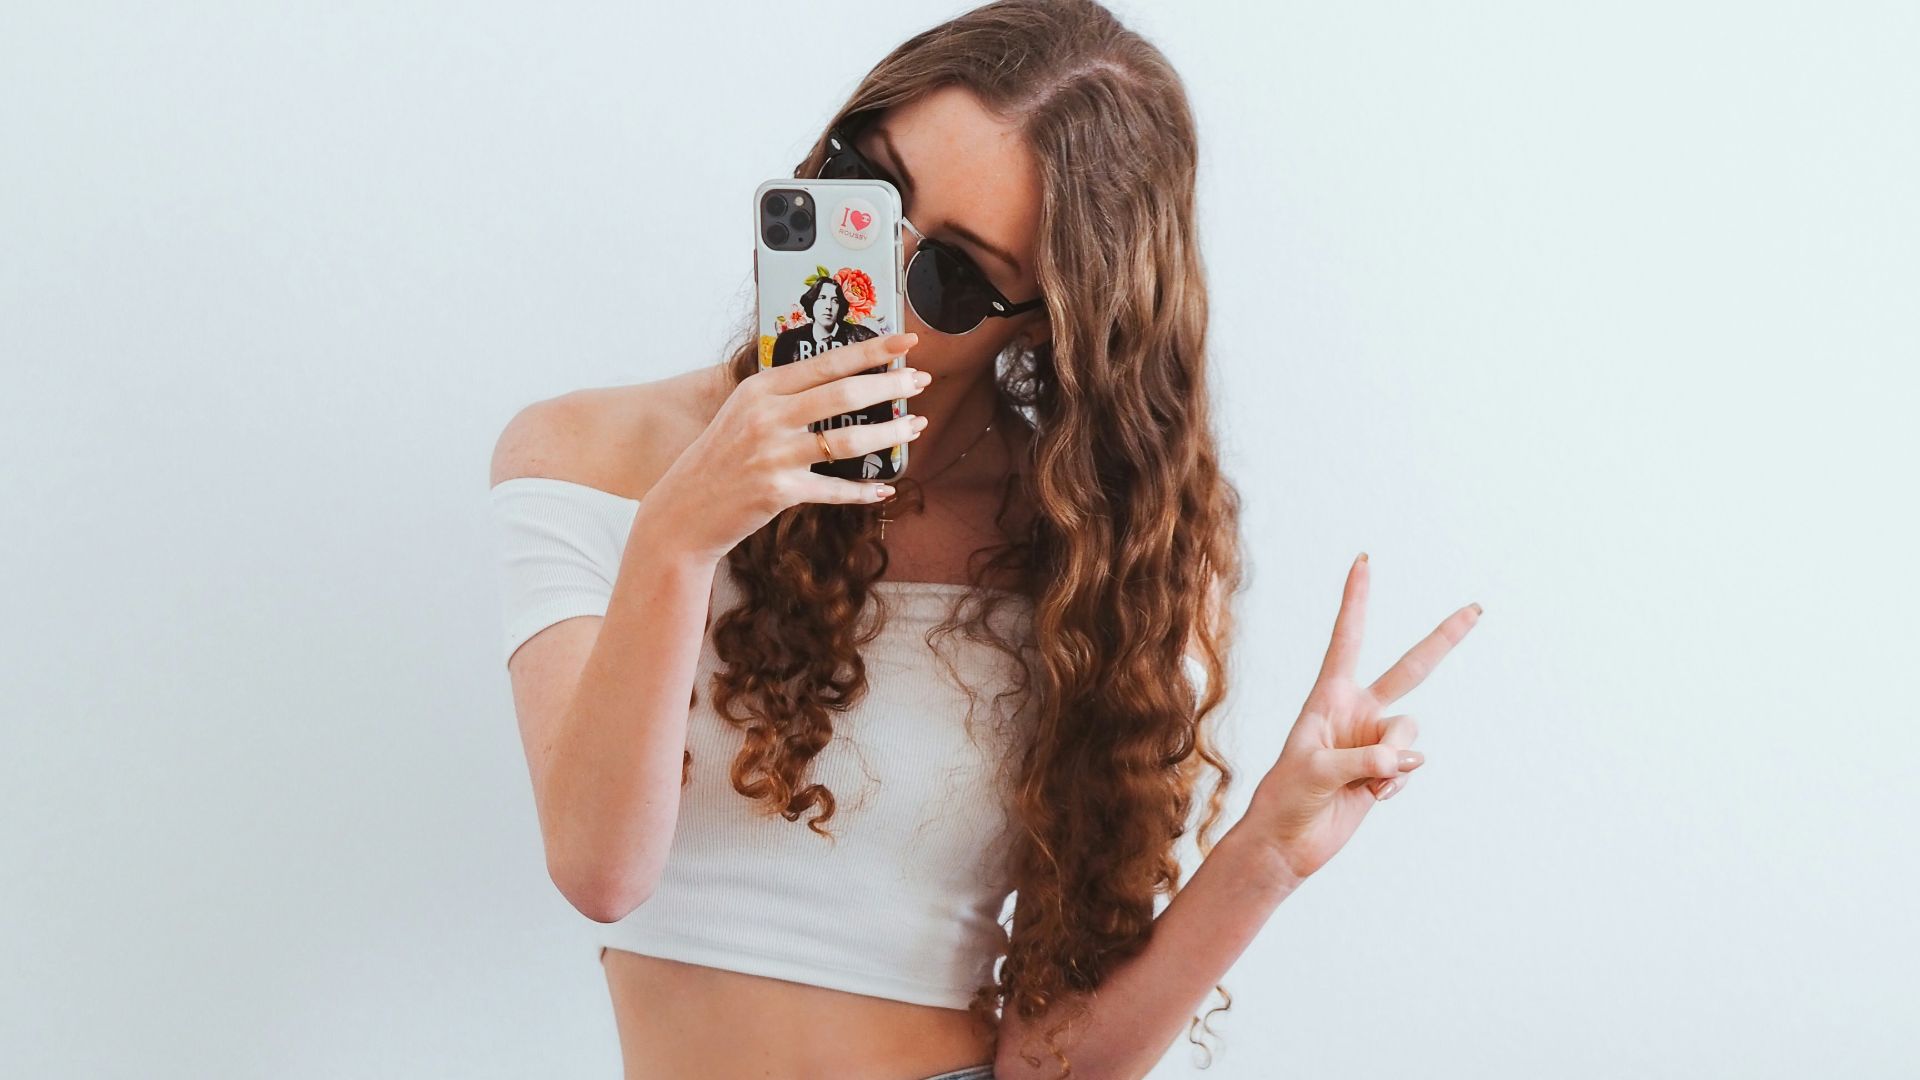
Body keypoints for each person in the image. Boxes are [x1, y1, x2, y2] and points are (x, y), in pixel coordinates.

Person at [487, 2, 1480, 1077]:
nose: (869, 282)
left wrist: (1267, 857)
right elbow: (600, 869)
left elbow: (1054, 1059)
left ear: (1043, 320)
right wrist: (681, 536)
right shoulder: (581, 454)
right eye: (862, 189)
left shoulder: (1093, 562)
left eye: (951, 276)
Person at [770, 275, 880, 367]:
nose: (828, 306)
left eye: (835, 300)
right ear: (812, 302)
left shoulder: (864, 338)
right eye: (822, 298)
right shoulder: (788, 342)